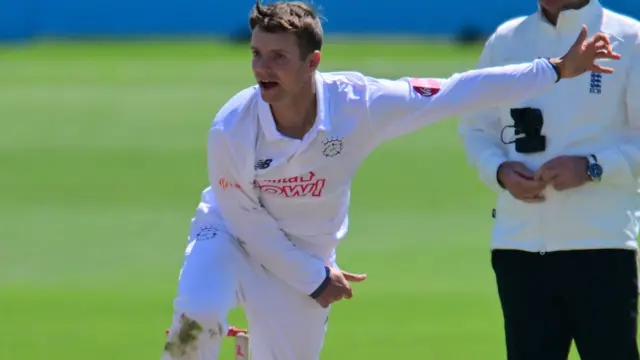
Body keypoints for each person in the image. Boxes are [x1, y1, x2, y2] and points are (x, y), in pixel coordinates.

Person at [161, 1, 618, 359]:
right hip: (232, 234)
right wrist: (314, 278)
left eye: (278, 57)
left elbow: (456, 91)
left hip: (307, 248)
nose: (262, 68)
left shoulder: (360, 104)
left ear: (312, 62)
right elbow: (245, 221)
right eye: (257, 54)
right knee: (198, 311)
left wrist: (554, 70)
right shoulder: (232, 126)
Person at [458, 0, 639, 359]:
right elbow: (476, 127)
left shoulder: (630, 38)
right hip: (520, 246)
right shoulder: (506, 39)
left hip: (602, 245)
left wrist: (592, 166)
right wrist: (499, 171)